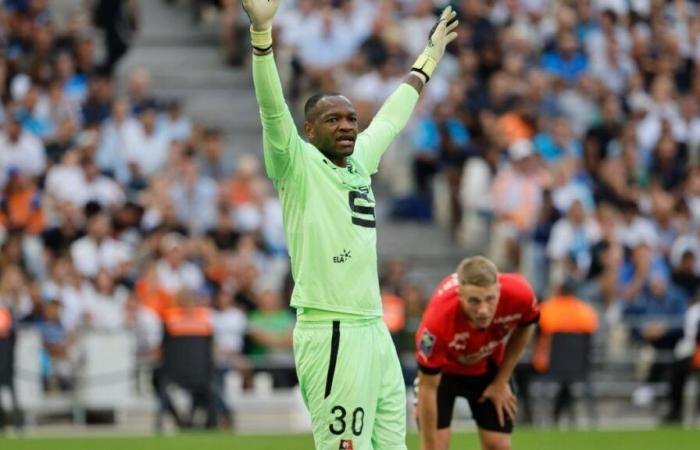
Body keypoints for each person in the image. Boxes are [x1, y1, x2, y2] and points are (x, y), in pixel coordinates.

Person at [242, 1, 458, 448]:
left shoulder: (359, 160)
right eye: (333, 120)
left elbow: (393, 117)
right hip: (332, 328)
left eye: (350, 119)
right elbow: (270, 109)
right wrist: (262, 37)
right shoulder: (296, 164)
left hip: (373, 328)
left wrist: (428, 60)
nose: (346, 126)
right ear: (308, 129)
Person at [414, 256, 539, 450]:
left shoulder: (520, 294)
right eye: (474, 301)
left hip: (488, 367)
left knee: (499, 445)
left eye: (490, 299)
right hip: (443, 374)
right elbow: (428, 387)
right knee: (436, 446)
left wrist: (500, 382)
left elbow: (527, 325)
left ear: (499, 290)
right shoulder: (435, 323)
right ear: (460, 294)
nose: (483, 310)